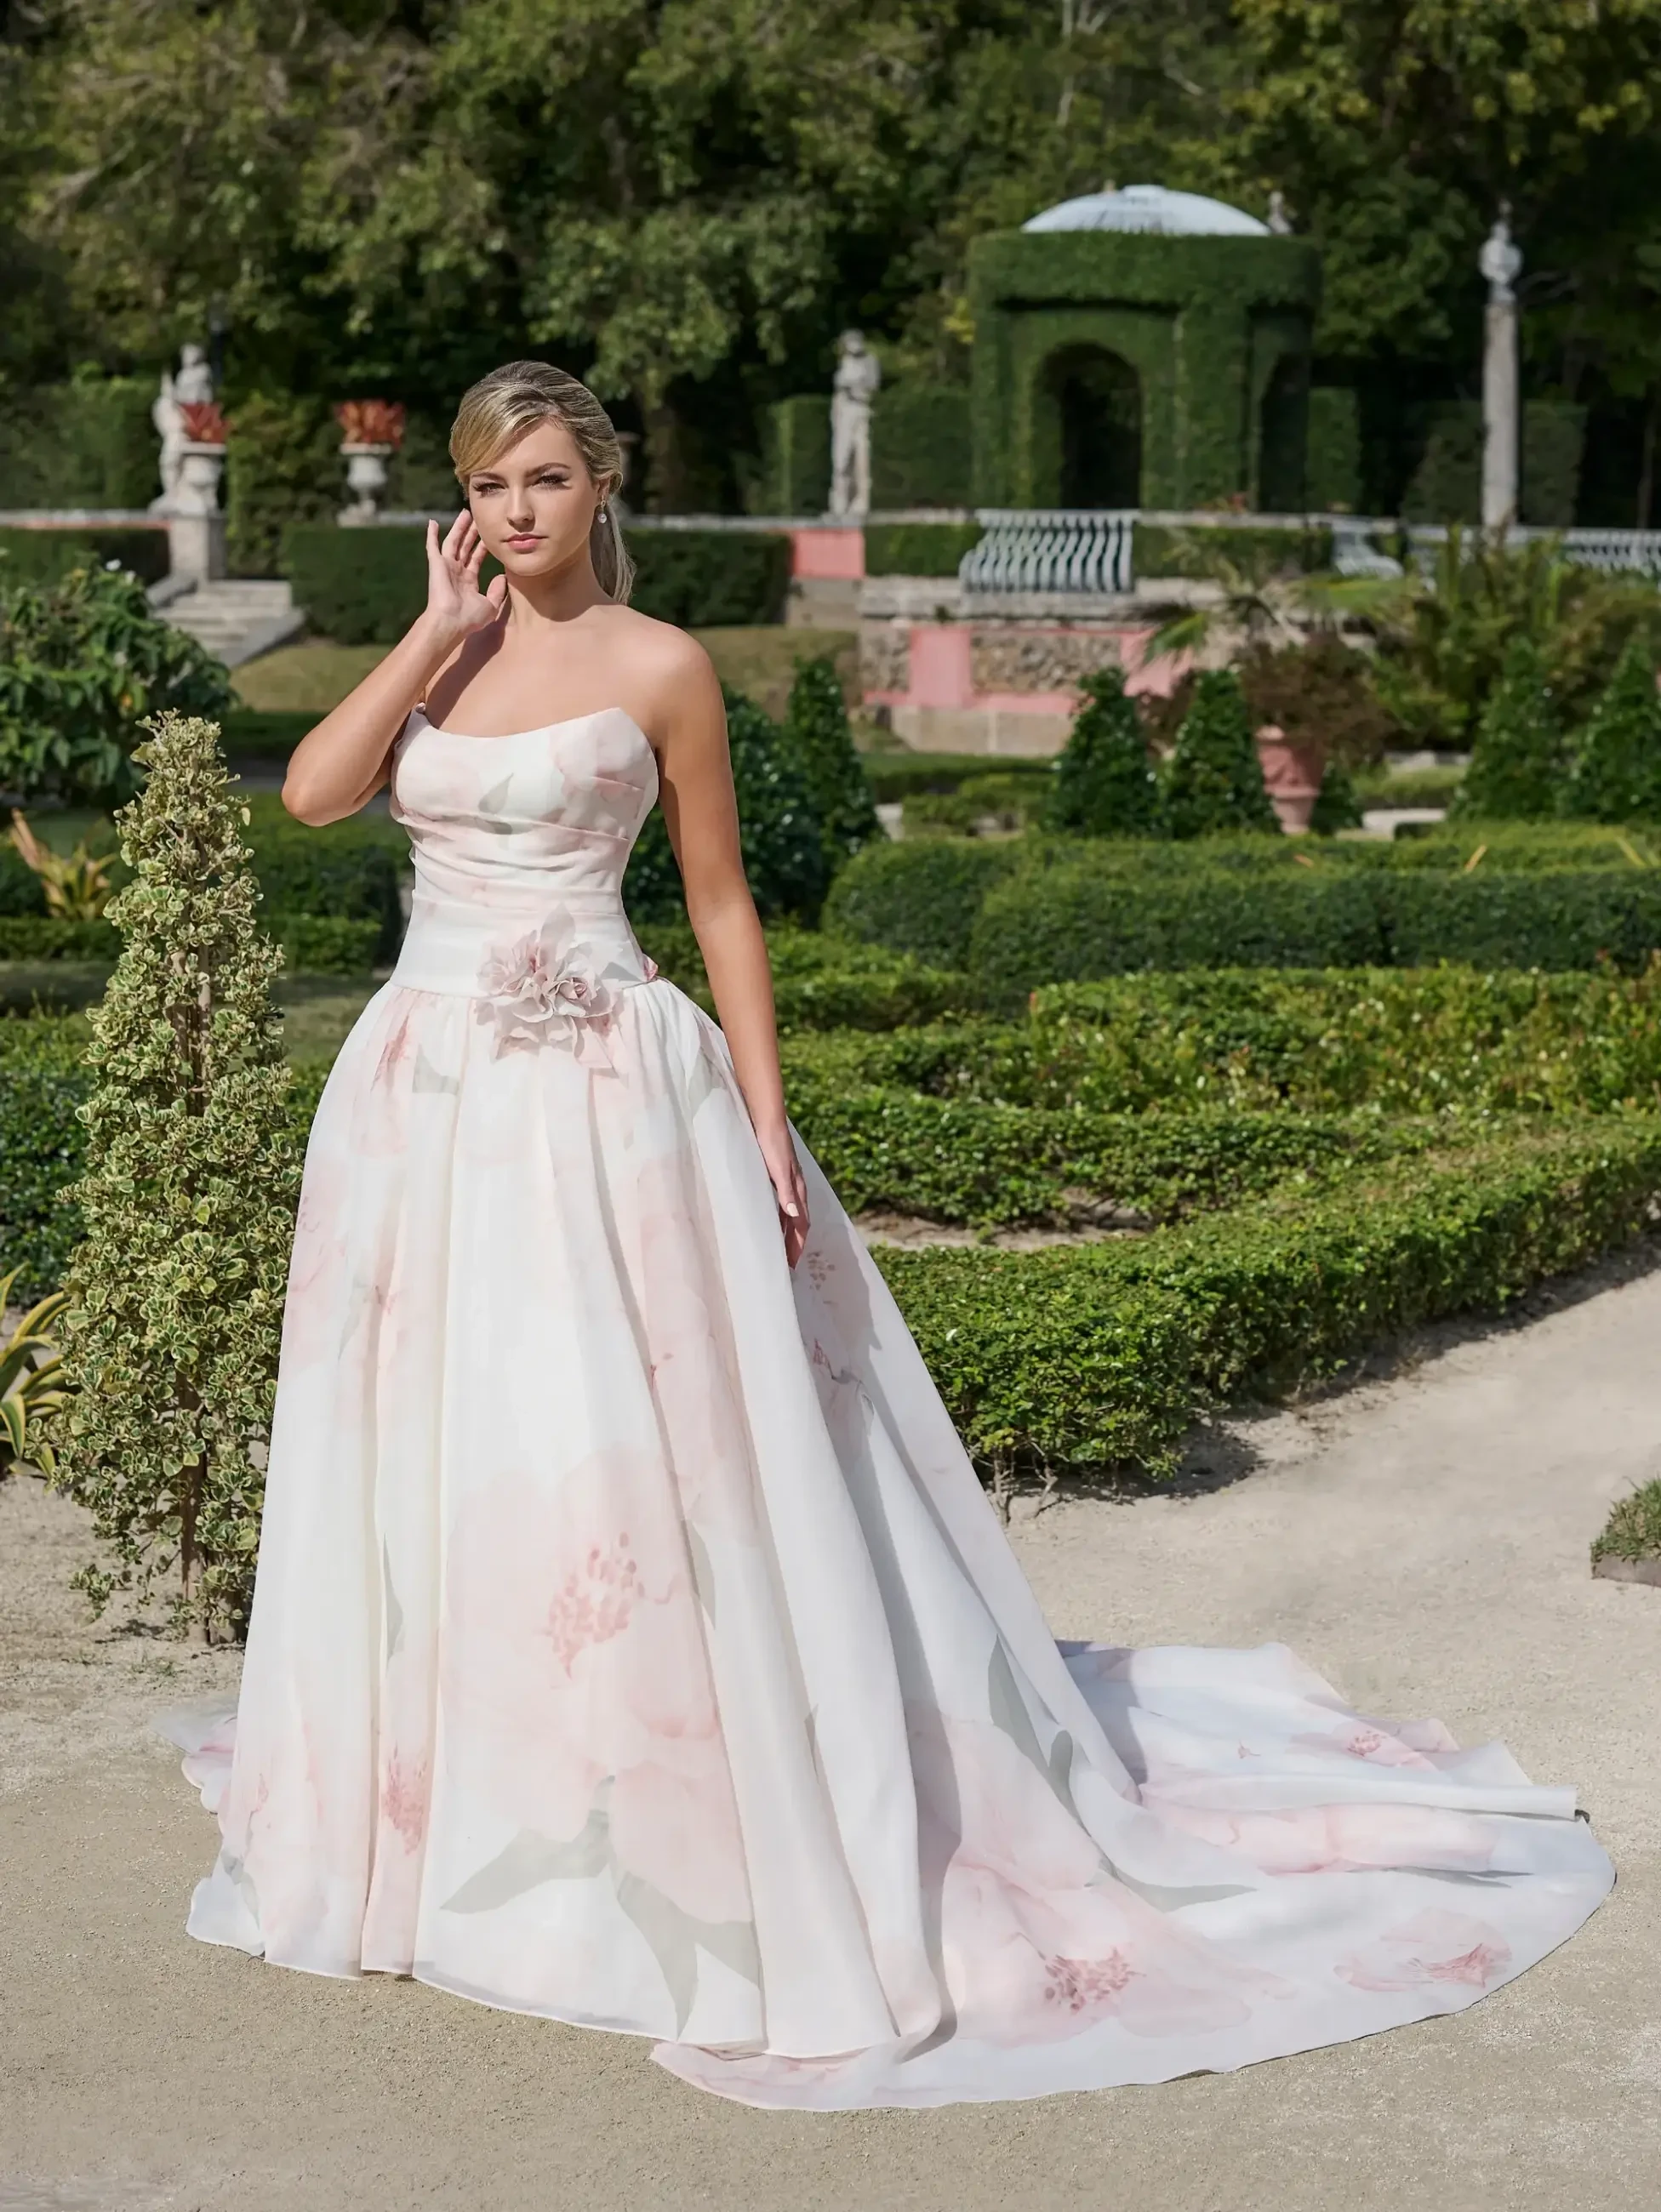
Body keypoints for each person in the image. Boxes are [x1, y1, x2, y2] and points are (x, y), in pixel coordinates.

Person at [161, 360, 1612, 2112]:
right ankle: (444, 1798)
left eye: (544, 476)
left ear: (598, 487)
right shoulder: (445, 654)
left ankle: (635, 1806)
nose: (515, 507)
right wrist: (425, 634)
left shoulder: (662, 666)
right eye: (488, 479)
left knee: (604, 1457)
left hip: (603, 1096)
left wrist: (764, 1122)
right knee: (435, 1450)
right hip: (419, 1096)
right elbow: (315, 795)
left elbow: (716, 899)